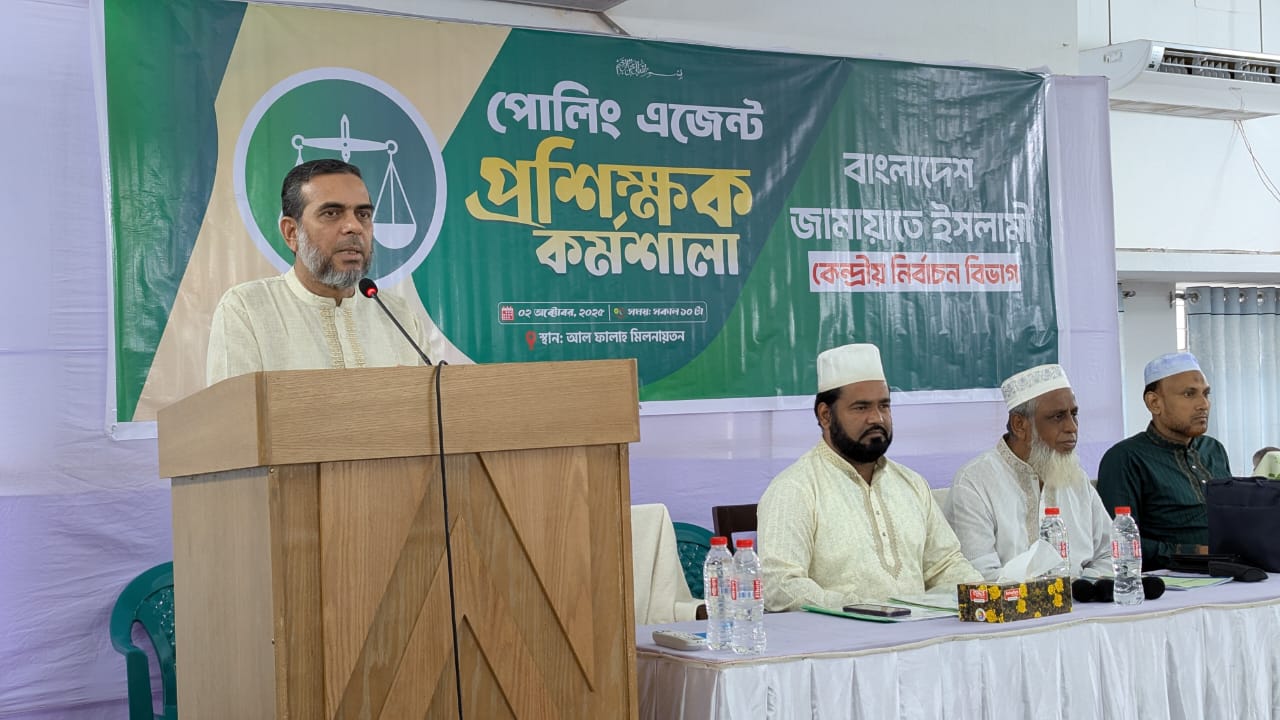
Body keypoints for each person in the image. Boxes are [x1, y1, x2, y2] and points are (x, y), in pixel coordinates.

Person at [756, 343, 981, 612]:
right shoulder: (795, 489)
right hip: (840, 636)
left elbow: (945, 565)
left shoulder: (911, 483)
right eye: (861, 408)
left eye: (884, 405)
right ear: (826, 415)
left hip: (919, 632)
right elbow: (780, 586)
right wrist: (861, 609)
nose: (877, 418)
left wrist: (983, 595)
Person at [207, 159, 442, 385]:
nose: (354, 227)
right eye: (331, 213)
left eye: (363, 215)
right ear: (291, 232)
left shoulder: (400, 316)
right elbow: (234, 411)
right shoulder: (246, 309)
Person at [944, 364, 1113, 580]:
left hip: (1082, 599)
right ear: (1019, 425)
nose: (1072, 427)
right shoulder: (974, 482)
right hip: (1011, 601)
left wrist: (1084, 588)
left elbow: (1110, 553)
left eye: (1074, 414)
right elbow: (979, 577)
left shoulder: (1076, 477)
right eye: (1058, 417)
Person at [1097, 352, 1231, 570]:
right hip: (1169, 579)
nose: (1203, 404)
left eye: (1206, 394)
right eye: (1189, 394)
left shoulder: (1214, 450)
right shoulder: (1125, 458)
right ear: (1154, 403)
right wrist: (1192, 553)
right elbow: (1120, 542)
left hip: (1230, 569)